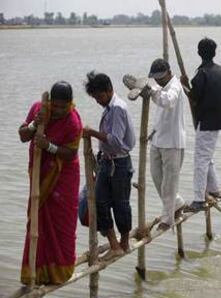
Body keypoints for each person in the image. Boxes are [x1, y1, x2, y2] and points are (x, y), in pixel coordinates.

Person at [18, 81, 83, 285]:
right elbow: (23, 136)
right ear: (50, 102)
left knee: (62, 222)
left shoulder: (73, 122)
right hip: (40, 175)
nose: (59, 111)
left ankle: (60, 271)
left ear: (70, 104)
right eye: (55, 106)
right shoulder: (39, 109)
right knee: (37, 222)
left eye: (64, 107)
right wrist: (34, 125)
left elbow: (71, 152)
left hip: (63, 176)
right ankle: (35, 271)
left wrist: (49, 146)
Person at [83, 72, 135, 259]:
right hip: (107, 161)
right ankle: (114, 245)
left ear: (109, 90)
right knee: (100, 201)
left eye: (99, 96)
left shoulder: (117, 108)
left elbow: (115, 141)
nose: (98, 100)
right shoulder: (109, 108)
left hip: (119, 162)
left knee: (121, 204)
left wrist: (92, 133)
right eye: (95, 98)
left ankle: (124, 243)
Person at [181, 37, 221, 213]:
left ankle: (198, 199)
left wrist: (185, 86)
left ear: (199, 53)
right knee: (207, 156)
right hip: (218, 121)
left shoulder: (202, 74)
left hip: (207, 121)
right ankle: (214, 189)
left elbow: (193, 97)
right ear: (214, 53)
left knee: (200, 160)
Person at [141, 58, 186, 231]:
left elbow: (168, 101)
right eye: (155, 78)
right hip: (158, 140)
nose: (158, 80)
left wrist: (151, 91)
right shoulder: (160, 89)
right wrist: (152, 132)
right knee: (157, 177)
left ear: (168, 72)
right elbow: (161, 115)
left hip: (173, 143)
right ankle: (177, 203)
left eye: (160, 76)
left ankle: (168, 219)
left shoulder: (175, 87)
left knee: (169, 183)